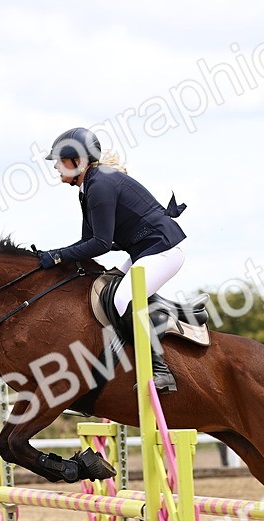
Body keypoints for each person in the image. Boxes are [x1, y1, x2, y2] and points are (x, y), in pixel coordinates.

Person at [35, 127, 187, 392]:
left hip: (163, 251)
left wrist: (57, 256)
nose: (57, 167)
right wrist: (57, 257)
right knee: (105, 286)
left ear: (78, 162)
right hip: (145, 251)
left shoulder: (100, 185)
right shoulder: (89, 186)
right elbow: (88, 242)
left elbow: (100, 244)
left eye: (60, 161)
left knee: (121, 299)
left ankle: (160, 370)